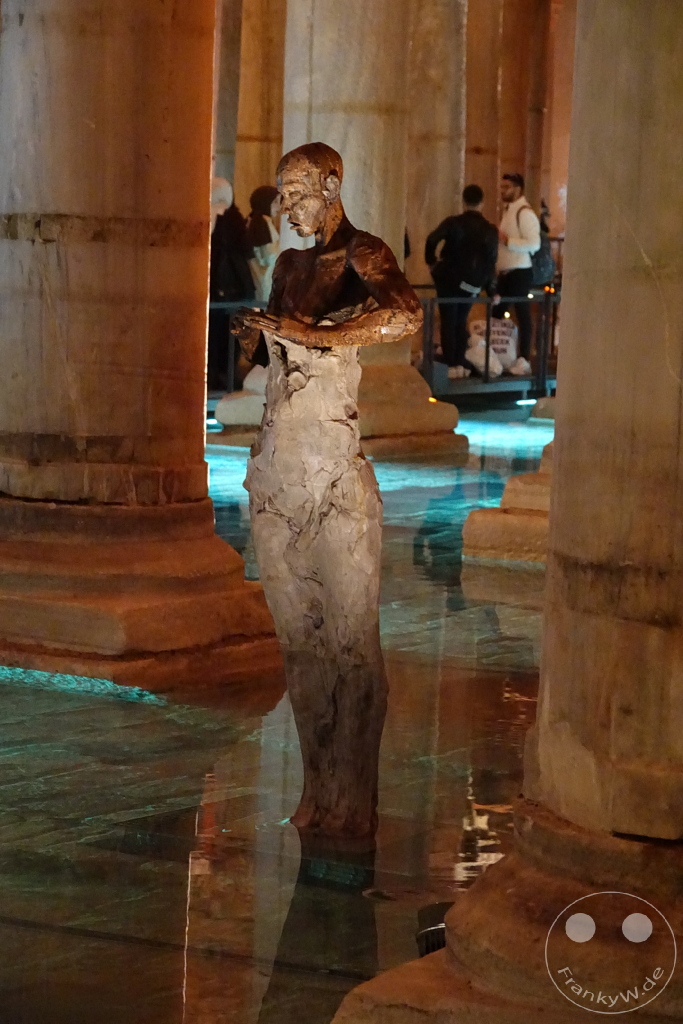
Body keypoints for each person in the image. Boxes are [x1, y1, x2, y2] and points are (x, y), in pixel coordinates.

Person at [231, 142, 422, 837]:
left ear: (330, 184)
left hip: (332, 470)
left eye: (296, 193)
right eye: (281, 195)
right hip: (276, 468)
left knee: (349, 641)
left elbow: (403, 315)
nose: (286, 207)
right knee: (299, 644)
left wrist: (313, 333)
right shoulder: (286, 265)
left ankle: (355, 793)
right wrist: (255, 337)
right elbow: (265, 343)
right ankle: (319, 787)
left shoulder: (363, 253)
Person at [425, 184, 498, 380]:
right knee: (460, 321)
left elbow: (432, 239)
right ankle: (459, 361)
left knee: (448, 320)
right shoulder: (490, 230)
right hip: (472, 284)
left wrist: (431, 262)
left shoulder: (453, 223)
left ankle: (451, 363)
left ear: (464, 201)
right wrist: (492, 291)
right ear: (482, 203)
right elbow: (491, 262)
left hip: (448, 279)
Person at [208, 177, 255, 390]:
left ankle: (216, 377)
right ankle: (227, 377)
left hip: (218, 286)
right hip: (236, 287)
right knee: (231, 335)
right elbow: (246, 251)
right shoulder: (234, 216)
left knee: (216, 334)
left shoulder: (212, 215)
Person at [493, 172, 541, 376]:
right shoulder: (510, 211)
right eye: (502, 187)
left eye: (507, 187)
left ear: (518, 189)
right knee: (496, 314)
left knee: (522, 314)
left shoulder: (525, 213)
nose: (503, 191)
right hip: (507, 273)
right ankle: (501, 354)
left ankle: (524, 358)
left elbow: (534, 244)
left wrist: (508, 241)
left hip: (520, 272)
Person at [246, 184, 281, 304]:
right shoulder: (263, 223)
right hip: (265, 280)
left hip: (257, 279)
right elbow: (269, 256)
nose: (279, 206)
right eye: (275, 202)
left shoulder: (252, 220)